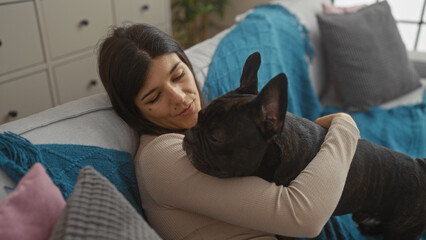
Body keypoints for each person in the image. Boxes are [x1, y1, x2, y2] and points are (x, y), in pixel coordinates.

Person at [97, 23, 360, 240]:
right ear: (134, 111)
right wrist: (345, 126)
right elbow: (303, 216)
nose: (179, 97)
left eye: (178, 75)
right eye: (154, 97)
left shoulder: (205, 128)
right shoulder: (162, 157)